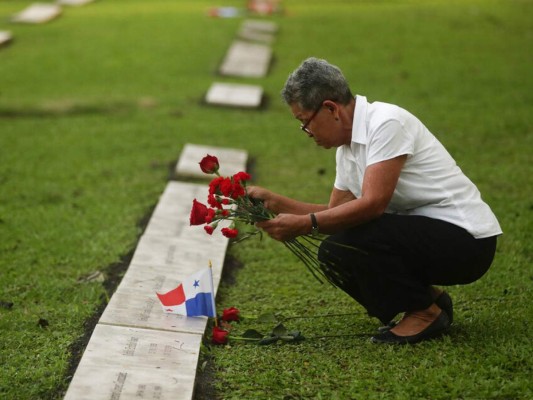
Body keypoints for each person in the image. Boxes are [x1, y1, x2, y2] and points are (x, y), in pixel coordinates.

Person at [248, 57, 502, 344]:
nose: (307, 133)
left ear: (331, 108)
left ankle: (423, 313)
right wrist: (276, 203)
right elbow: (338, 214)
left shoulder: (386, 123)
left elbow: (373, 204)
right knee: (336, 247)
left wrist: (305, 224)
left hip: (467, 242)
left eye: (304, 123)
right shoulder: (347, 148)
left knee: (344, 246)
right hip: (431, 236)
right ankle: (429, 301)